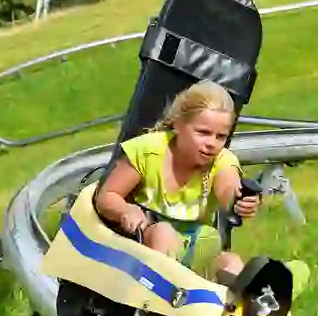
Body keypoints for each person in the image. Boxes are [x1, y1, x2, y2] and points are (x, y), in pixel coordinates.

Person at [95, 80, 260, 282]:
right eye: (203, 133)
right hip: (143, 245)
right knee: (163, 233)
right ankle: (164, 294)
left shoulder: (222, 161)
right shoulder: (148, 151)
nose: (212, 144)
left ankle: (244, 307)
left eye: (221, 136)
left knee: (231, 262)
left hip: (197, 248)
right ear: (178, 124)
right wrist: (125, 210)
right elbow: (106, 196)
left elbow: (228, 186)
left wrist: (239, 201)